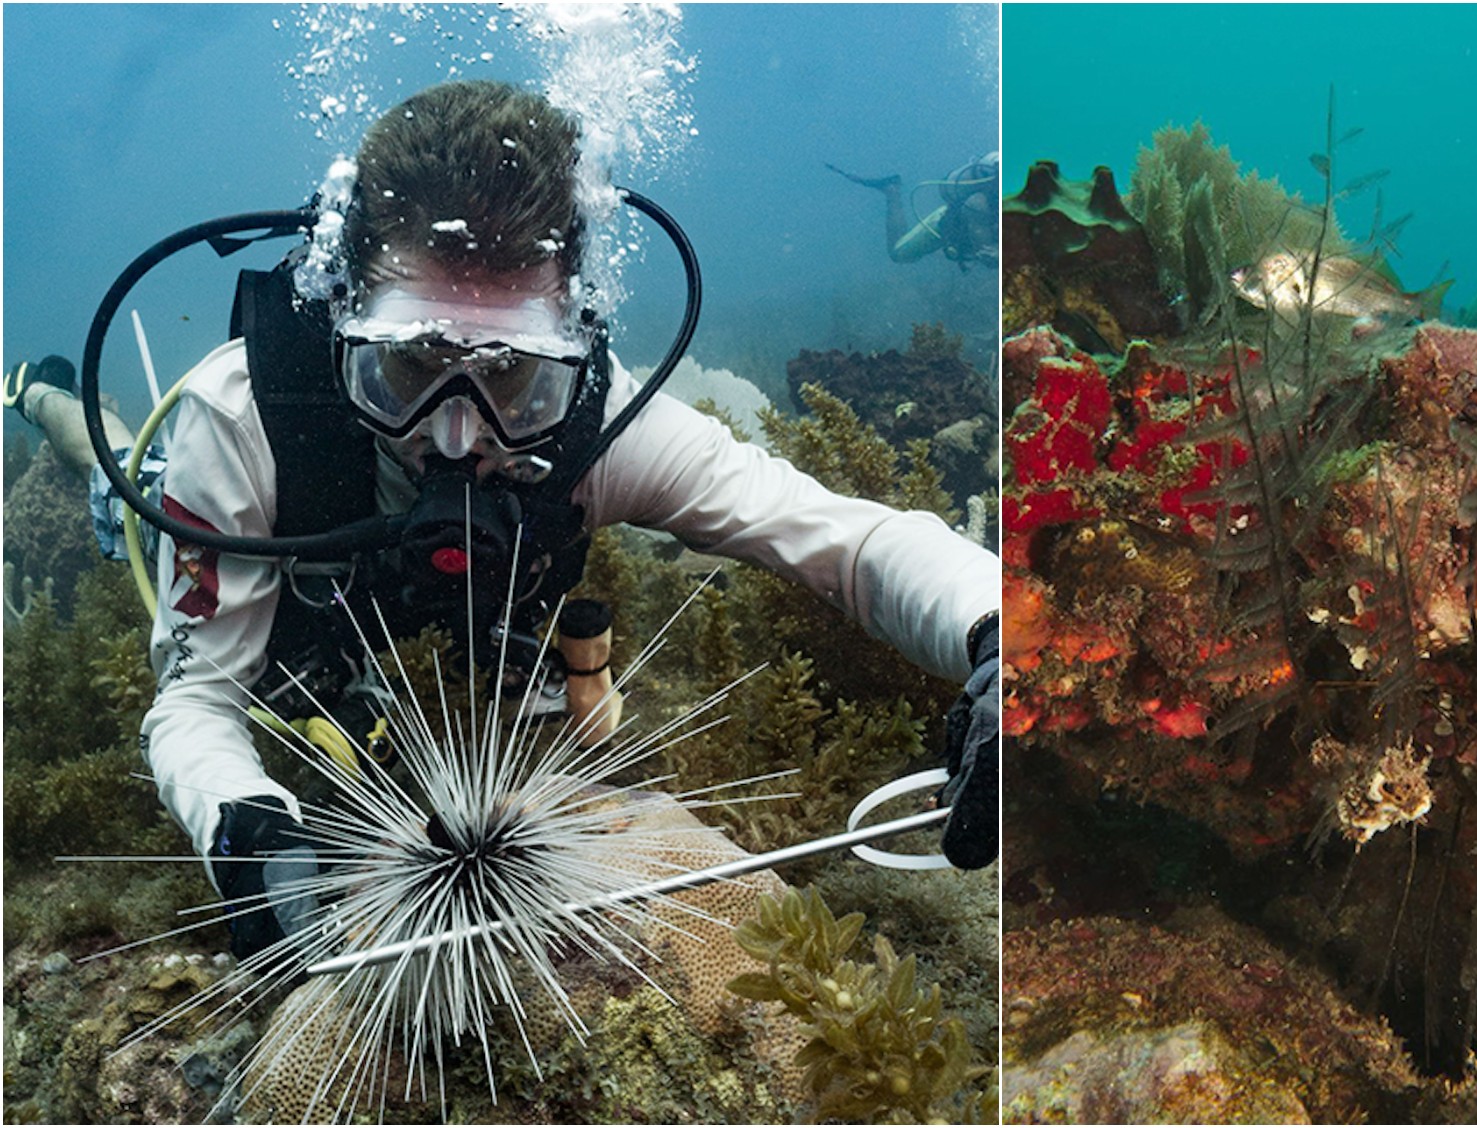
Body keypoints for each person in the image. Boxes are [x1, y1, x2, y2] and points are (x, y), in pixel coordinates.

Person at [127, 80, 1000, 959]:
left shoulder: (608, 426)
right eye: (410, 363)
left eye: (512, 373)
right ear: (344, 314)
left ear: (573, 337)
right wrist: (246, 831)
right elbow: (197, 696)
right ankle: (46, 401)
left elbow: (849, 542)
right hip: (233, 535)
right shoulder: (241, 421)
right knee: (110, 484)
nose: (456, 431)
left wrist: (1005, 641)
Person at [4, 356, 166, 565]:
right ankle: (47, 397)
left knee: (124, 475)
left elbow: (120, 471)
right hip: (180, 512)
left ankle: (40, 396)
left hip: (160, 510)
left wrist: (38, 396)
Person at [827, 151, 998, 267]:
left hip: (968, 225)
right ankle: (892, 192)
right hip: (945, 224)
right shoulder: (978, 204)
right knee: (898, 253)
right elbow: (985, 253)